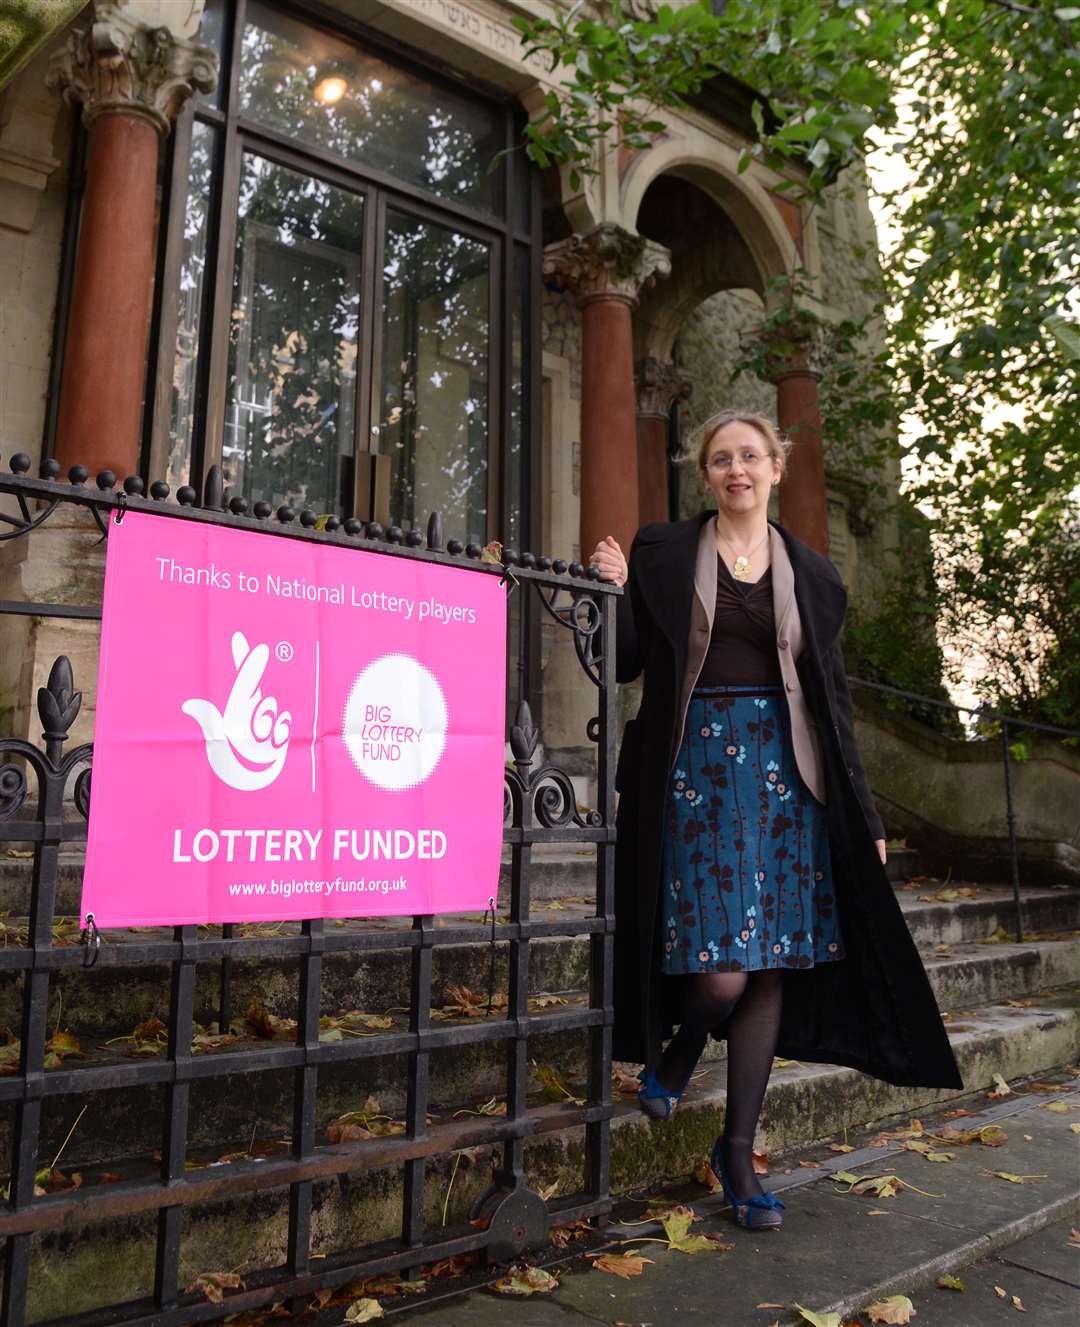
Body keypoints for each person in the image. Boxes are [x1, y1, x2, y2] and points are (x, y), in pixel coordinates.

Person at [590, 409, 962, 1231]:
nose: (737, 470)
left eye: (750, 456)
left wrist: (862, 814)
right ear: (706, 473)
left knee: (770, 964)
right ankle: (687, 1042)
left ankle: (738, 1148)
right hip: (697, 774)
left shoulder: (814, 576)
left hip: (788, 778)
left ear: (776, 467)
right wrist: (610, 593)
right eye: (721, 458)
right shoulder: (662, 551)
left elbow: (833, 703)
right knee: (720, 969)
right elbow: (623, 665)